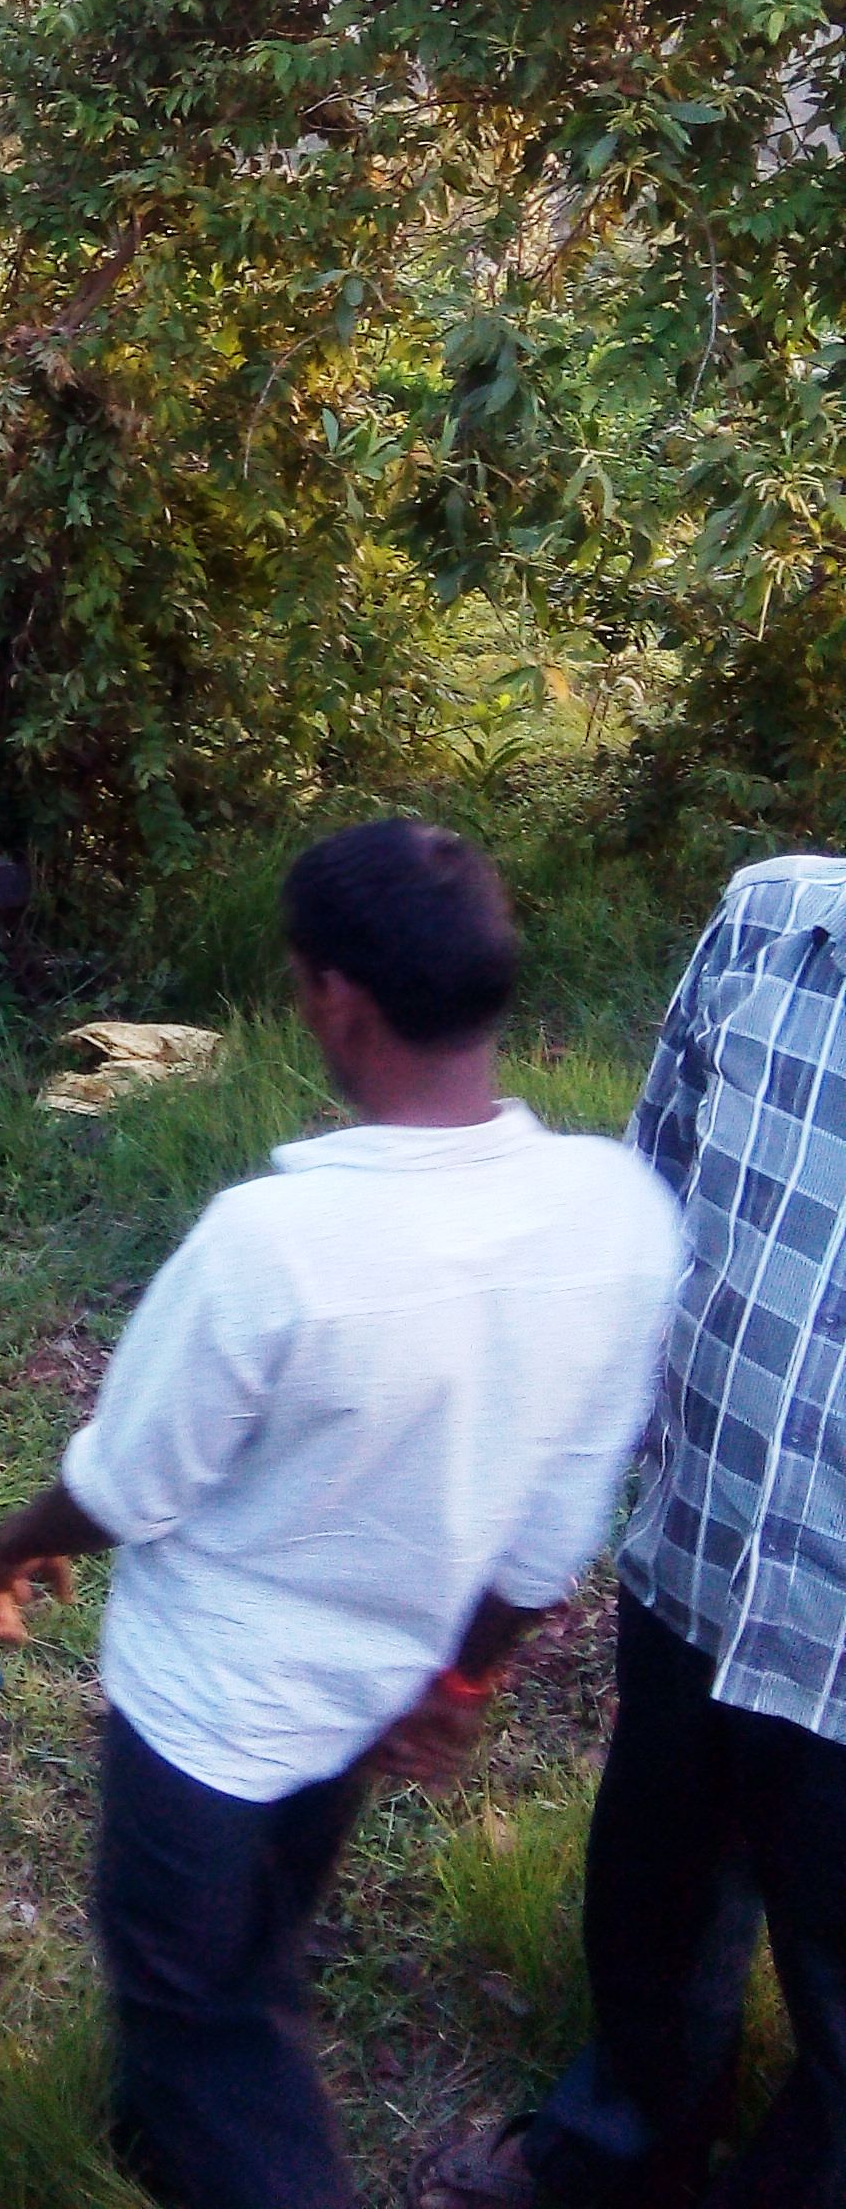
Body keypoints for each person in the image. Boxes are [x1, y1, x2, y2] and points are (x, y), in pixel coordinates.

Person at [0, 820, 682, 2209]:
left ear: (338, 1003)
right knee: (254, 1943)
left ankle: (202, 2144)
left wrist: (20, 1539)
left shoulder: (273, 1245)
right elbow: (555, 1528)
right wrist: (463, 1679)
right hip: (371, 1703)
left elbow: (131, 1485)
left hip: (203, 1723)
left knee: (212, 2028)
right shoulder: (617, 1215)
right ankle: (148, 2147)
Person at [422, 853, 846, 2209]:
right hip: (705, 1538)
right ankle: (621, 2147)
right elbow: (654, 1191)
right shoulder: (771, 925)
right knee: (656, 1889)